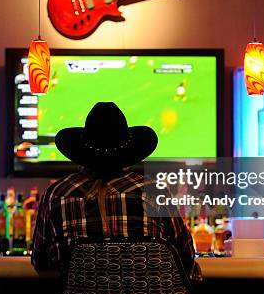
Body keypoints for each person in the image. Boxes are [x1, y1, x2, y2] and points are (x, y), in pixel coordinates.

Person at [31, 102, 201, 281]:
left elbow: (40, 261)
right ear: (128, 150)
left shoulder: (57, 195)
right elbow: (186, 255)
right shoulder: (153, 193)